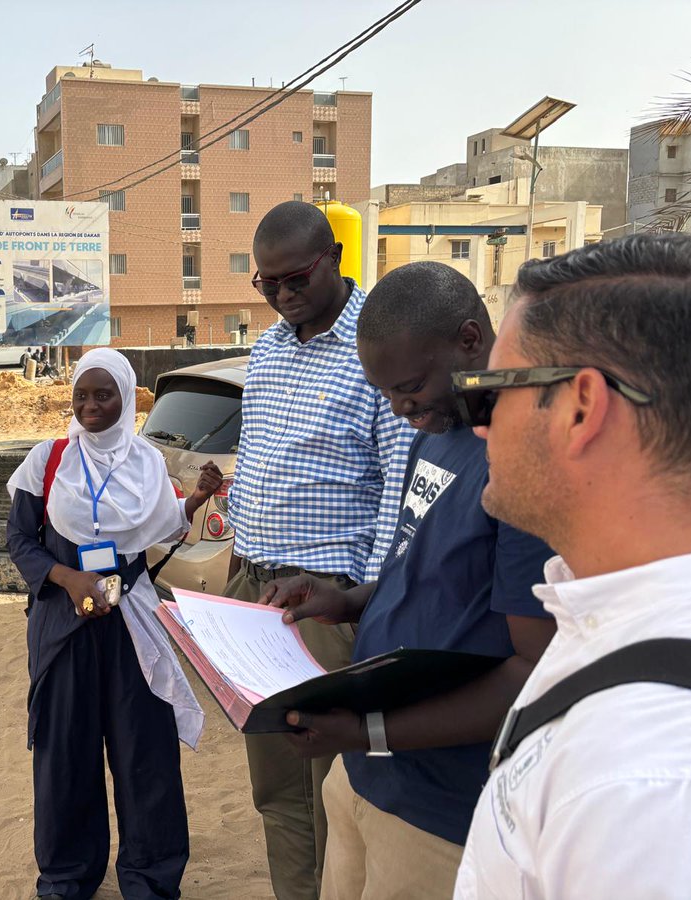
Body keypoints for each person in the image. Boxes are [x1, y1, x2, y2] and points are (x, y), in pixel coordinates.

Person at [265, 262, 556, 899]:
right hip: (363, 781)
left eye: (412, 386)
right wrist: (344, 601)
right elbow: (418, 572)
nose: (401, 410)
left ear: (471, 341)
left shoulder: (519, 464)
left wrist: (369, 732)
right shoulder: (441, 434)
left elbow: (534, 677)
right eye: (387, 394)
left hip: (439, 813)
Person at [452, 234, 691, 898]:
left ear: (580, 406)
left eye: (487, 393)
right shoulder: (608, 619)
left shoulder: (643, 777)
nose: (478, 426)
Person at [224, 200, 412, 900]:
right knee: (275, 788)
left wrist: (363, 604)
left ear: (333, 257)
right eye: (265, 285)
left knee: (336, 787)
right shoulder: (269, 347)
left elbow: (397, 486)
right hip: (254, 597)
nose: (280, 296)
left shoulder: (381, 342)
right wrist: (238, 567)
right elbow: (258, 456)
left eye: (294, 279)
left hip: (330, 602)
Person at [6, 348, 223, 900]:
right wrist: (67, 579)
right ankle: (66, 876)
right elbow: (19, 541)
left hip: (132, 626)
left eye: (104, 395)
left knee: (144, 751)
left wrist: (197, 497)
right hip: (62, 627)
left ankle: (150, 877)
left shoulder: (147, 462)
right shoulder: (48, 461)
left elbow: (163, 524)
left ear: (127, 399)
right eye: (82, 394)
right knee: (65, 754)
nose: (90, 406)